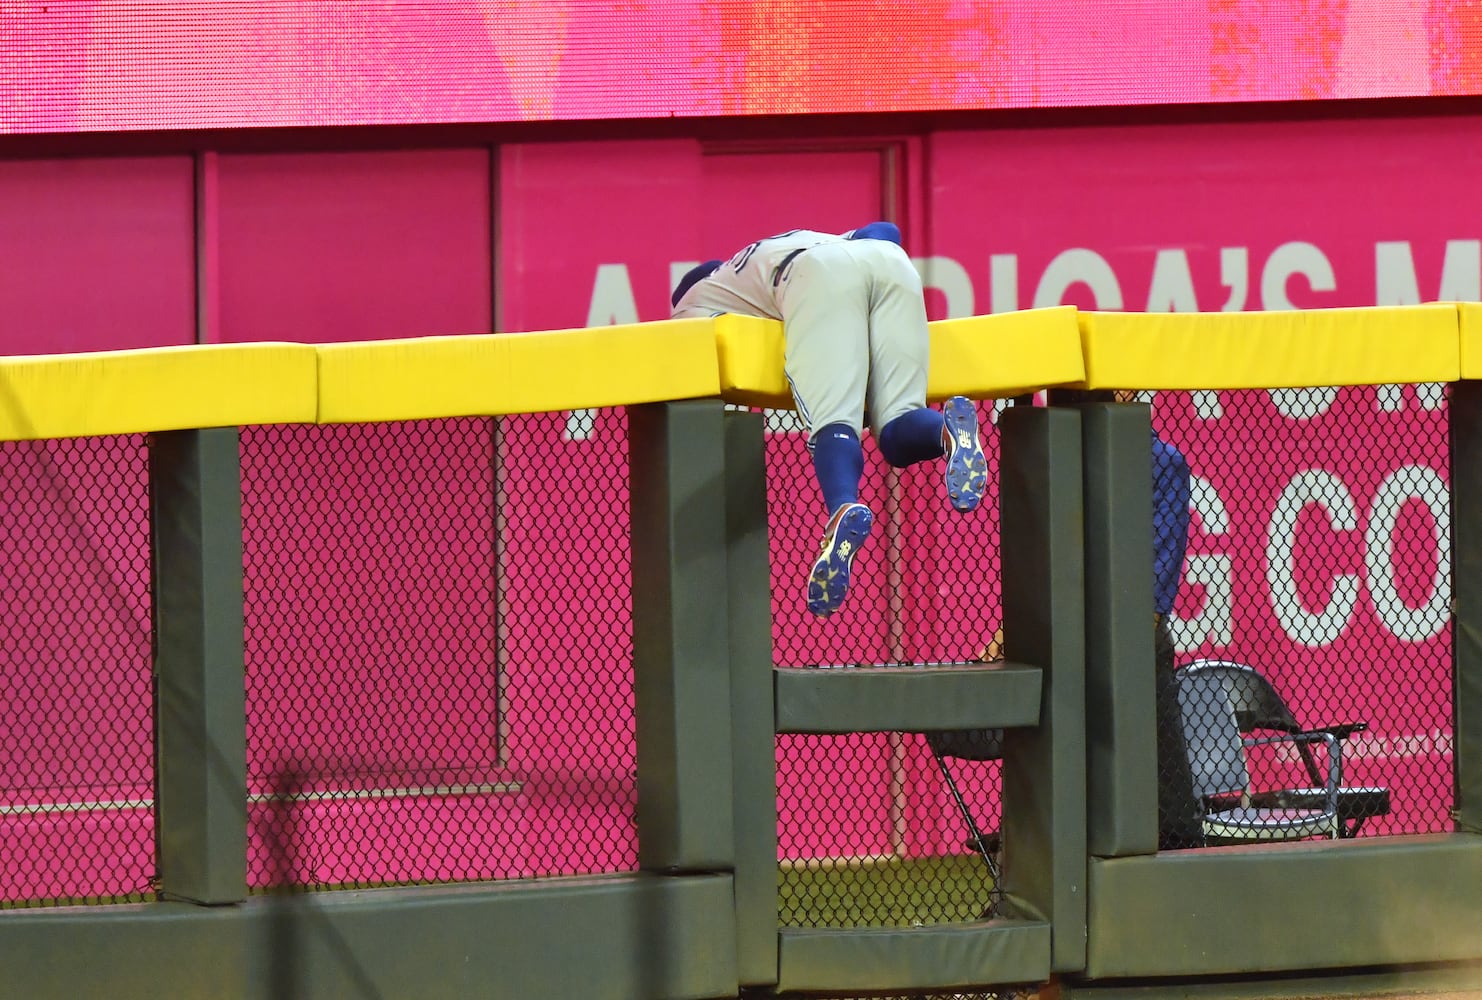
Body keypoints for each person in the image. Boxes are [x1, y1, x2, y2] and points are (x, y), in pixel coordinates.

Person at [671, 223, 988, 618]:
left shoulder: (695, 301)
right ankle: (946, 432)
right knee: (897, 426)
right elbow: (886, 231)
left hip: (815, 276)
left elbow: (685, 355)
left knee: (834, 423)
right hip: (889, 262)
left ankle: (842, 506)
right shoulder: (788, 243)